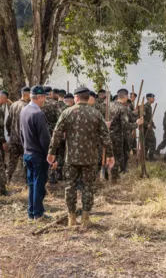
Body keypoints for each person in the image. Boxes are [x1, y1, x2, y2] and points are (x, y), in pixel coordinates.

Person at [48, 87, 114, 227]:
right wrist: (110, 155)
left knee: (70, 186)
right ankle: (85, 218)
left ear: (76, 98)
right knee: (88, 186)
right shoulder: (96, 114)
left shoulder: (67, 112)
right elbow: (105, 137)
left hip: (71, 157)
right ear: (88, 98)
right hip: (90, 158)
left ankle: (72, 218)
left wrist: (51, 152)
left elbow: (57, 133)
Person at [21, 86, 51, 220]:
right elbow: (45, 138)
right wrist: (50, 155)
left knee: (32, 184)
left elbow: (21, 133)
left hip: (28, 152)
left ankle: (31, 211)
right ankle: (38, 213)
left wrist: (25, 148)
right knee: (38, 184)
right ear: (39, 97)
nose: (45, 99)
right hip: (38, 155)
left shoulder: (24, 110)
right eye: (44, 97)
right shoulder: (38, 114)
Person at [108, 89, 141, 181]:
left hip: (108, 134)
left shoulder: (109, 105)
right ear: (125, 97)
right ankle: (114, 178)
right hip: (117, 136)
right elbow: (125, 125)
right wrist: (137, 124)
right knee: (117, 157)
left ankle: (110, 175)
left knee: (110, 155)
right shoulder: (122, 108)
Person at [5, 87, 31, 182]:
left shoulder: (13, 105)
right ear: (26, 94)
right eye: (30, 94)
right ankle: (28, 182)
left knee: (12, 161)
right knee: (26, 161)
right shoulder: (27, 107)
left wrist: (10, 133)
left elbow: (8, 122)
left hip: (14, 138)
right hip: (24, 140)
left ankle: (7, 179)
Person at [142, 93, 157, 160]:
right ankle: (151, 157)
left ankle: (145, 156)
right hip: (146, 127)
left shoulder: (149, 106)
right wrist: (146, 124)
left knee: (146, 142)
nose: (154, 99)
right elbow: (141, 117)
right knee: (153, 140)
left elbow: (149, 118)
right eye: (152, 98)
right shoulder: (145, 106)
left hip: (149, 126)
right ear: (149, 98)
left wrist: (153, 124)